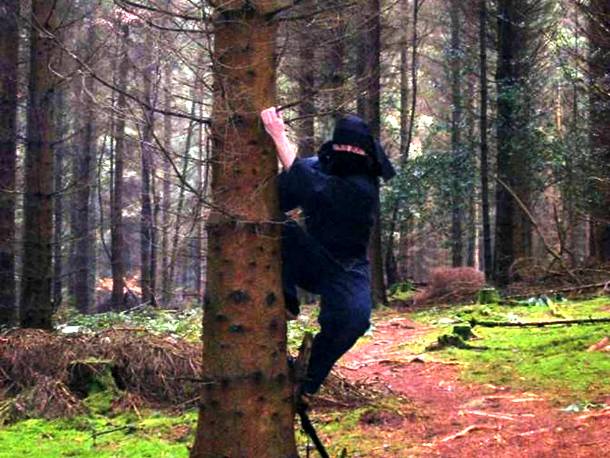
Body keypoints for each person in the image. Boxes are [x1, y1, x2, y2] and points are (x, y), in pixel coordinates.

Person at [260, 107, 395, 397]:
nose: (347, 152)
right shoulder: (320, 165)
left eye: (354, 149)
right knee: (278, 224)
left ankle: (305, 379)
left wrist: (279, 137)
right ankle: (286, 300)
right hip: (312, 258)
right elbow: (284, 193)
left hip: (349, 267)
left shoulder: (364, 187)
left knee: (354, 319)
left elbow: (316, 190)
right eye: (342, 146)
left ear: (366, 153)